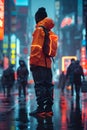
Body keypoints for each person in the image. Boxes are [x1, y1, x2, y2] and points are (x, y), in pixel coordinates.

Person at [29, 7, 55, 116]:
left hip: (39, 63)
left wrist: (33, 63)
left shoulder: (39, 30)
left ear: (38, 18)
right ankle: (48, 109)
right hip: (48, 64)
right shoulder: (50, 32)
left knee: (39, 85)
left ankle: (40, 109)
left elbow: (36, 47)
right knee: (48, 86)